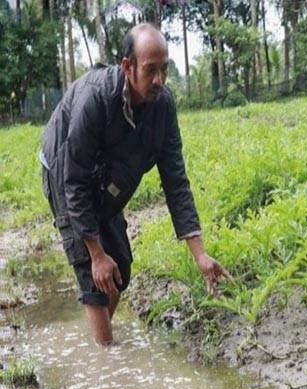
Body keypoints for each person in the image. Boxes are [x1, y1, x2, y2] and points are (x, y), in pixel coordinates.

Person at [40, 22, 228, 345]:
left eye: (164, 69)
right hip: (64, 169)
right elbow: (74, 180)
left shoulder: (163, 106)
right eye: (150, 70)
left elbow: (175, 180)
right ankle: (102, 359)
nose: (159, 80)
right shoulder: (96, 99)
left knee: (120, 269)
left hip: (109, 175)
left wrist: (199, 254)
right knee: (95, 275)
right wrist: (96, 253)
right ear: (128, 66)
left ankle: (93, 338)